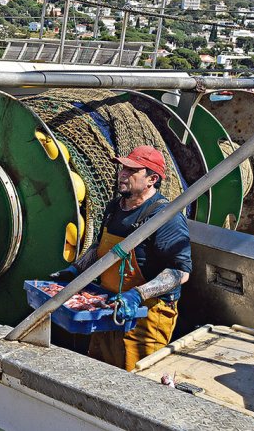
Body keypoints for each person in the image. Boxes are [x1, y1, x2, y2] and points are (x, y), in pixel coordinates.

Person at [58, 145, 191, 371]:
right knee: (99, 372)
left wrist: (137, 295)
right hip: (108, 308)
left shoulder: (165, 217)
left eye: (132, 171)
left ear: (152, 179)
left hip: (146, 316)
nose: (122, 174)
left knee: (136, 379)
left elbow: (181, 272)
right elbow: (100, 247)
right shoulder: (114, 208)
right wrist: (75, 270)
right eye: (122, 169)